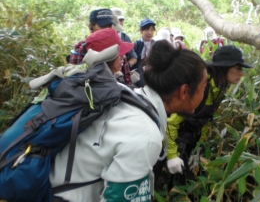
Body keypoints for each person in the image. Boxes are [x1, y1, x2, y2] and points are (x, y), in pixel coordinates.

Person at [50, 34, 208, 202]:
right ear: (184, 91)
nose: (204, 94)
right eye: (203, 87)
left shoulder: (130, 96)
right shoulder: (145, 136)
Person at [162, 45, 253, 186]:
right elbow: (170, 123)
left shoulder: (220, 85)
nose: (241, 73)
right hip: (167, 137)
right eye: (238, 68)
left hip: (188, 135)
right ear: (224, 67)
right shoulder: (200, 85)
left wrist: (199, 144)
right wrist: (172, 155)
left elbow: (204, 117)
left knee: (186, 181)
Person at [111, 7, 138, 85]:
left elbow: (134, 57)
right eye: (118, 20)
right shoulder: (104, 38)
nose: (120, 22)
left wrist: (125, 65)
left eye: (122, 20)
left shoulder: (125, 37)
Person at [132, 18, 156, 88]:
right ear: (141, 31)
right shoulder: (136, 44)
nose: (150, 33)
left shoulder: (155, 44)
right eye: (147, 30)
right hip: (139, 68)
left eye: (152, 30)